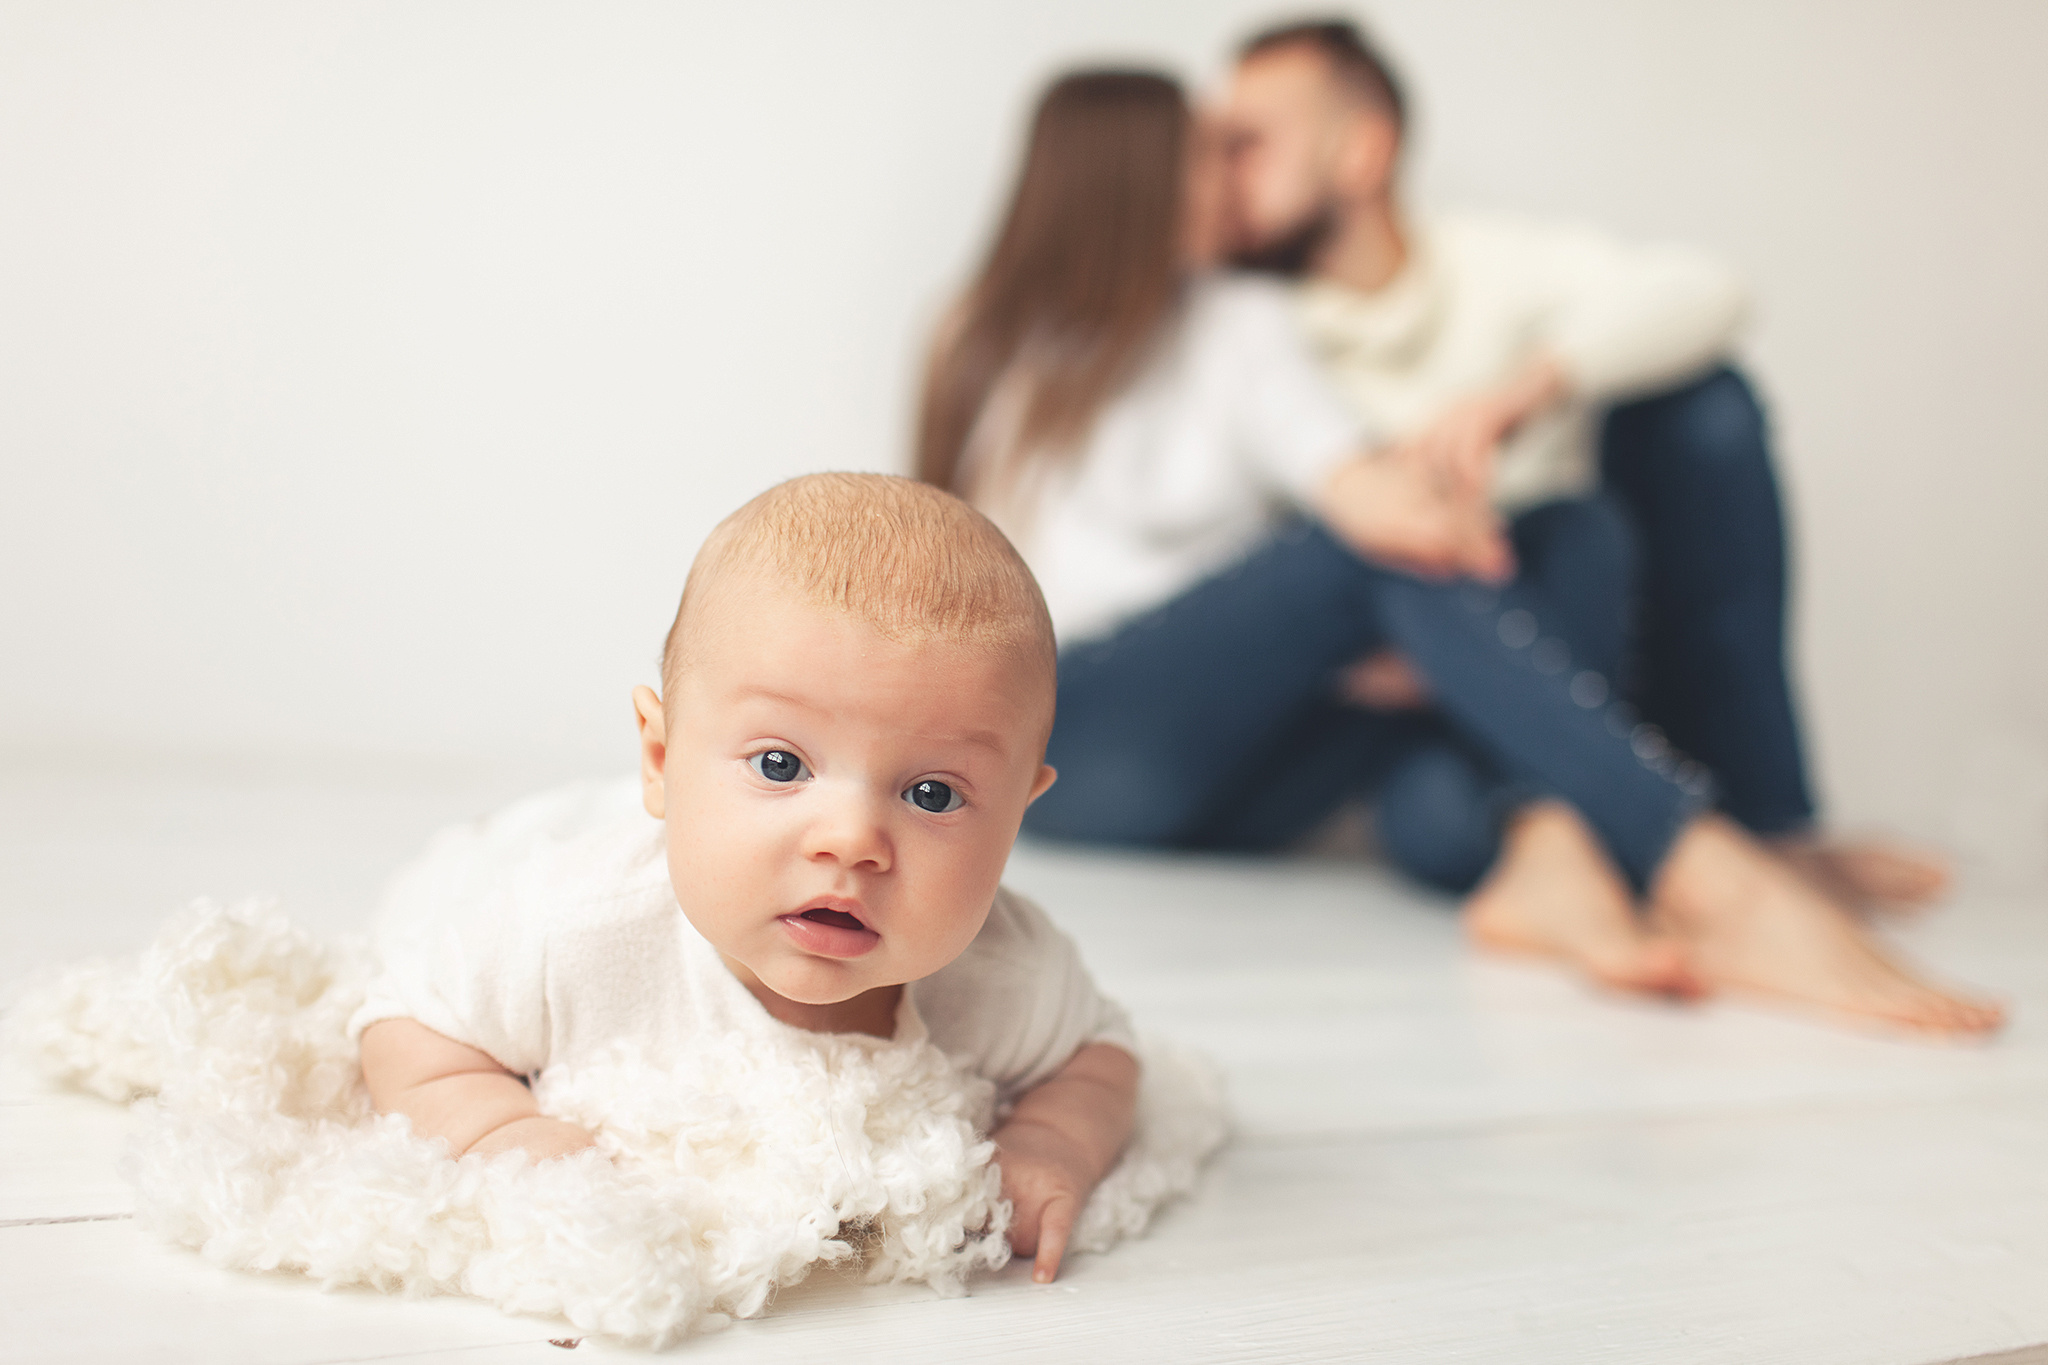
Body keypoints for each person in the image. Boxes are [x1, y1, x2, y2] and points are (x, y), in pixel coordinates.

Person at [916, 68, 2000, 1034]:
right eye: (1211, 156)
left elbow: (1342, 496)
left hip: (1230, 788)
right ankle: (1704, 867)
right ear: (1132, 179)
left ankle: (1555, 846)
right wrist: (1413, 575)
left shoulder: (1222, 317)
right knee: (1388, 547)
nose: (1231, 183)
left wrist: (1424, 604)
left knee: (1544, 551)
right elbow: (1355, 515)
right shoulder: (1003, 334)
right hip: (1072, 735)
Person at [1220, 17, 1947, 913]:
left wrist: (1528, 389)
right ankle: (1645, 848)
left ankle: (1765, 824)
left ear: (1362, 152)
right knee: (1444, 808)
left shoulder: (1484, 264)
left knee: (1698, 406)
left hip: (1573, 628)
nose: (1218, 171)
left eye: (1246, 143)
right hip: (1411, 694)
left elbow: (1710, 289)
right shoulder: (1240, 332)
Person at [354, 473, 1140, 1283]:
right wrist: (500, 1134)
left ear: (1014, 815)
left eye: (932, 793)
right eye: (780, 763)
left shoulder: (1006, 973)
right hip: (521, 841)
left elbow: (1102, 1053)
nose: (852, 840)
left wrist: (1051, 1140)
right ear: (660, 759)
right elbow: (404, 1021)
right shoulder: (570, 927)